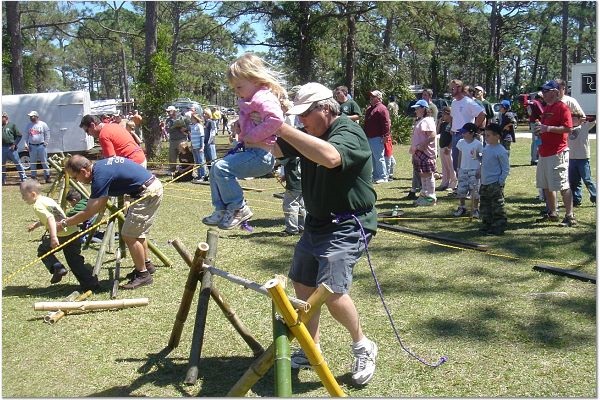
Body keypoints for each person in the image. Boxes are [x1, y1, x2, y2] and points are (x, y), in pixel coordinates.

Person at [273, 82, 378, 386]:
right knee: (303, 285)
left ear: (324, 108)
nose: (300, 121)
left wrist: (282, 127)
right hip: (317, 222)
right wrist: (256, 119)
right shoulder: (310, 132)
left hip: (348, 222)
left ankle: (363, 345)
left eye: (304, 114)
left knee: (331, 290)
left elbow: (331, 158)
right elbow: (275, 147)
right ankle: (311, 347)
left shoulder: (347, 131)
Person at [202, 53, 286, 230]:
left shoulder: (263, 97)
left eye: (239, 86)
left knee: (221, 167)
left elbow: (276, 119)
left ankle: (238, 207)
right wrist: (240, 125)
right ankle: (222, 209)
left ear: (255, 80)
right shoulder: (249, 100)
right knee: (216, 168)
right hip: (251, 152)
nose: (236, 91)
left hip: (261, 155)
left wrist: (251, 136)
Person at [60, 155, 163, 289]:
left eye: (75, 177)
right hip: (149, 188)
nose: (77, 181)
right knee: (136, 232)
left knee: (129, 235)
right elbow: (101, 201)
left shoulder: (100, 176)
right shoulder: (101, 168)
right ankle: (146, 265)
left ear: (83, 171)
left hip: (147, 193)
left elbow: (89, 211)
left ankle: (143, 275)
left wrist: (65, 223)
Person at [20, 179, 99, 291]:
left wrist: (53, 237)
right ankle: (90, 284)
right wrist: (37, 225)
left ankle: (57, 268)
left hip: (61, 234)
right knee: (74, 260)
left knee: (43, 250)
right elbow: (56, 216)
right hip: (73, 231)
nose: (22, 198)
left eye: (23, 195)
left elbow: (51, 218)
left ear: (33, 194)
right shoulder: (47, 200)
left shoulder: (37, 205)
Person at [535, 80, 576, 227]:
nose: (543, 94)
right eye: (543, 92)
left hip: (558, 152)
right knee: (546, 185)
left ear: (554, 92)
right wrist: (540, 130)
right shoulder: (546, 108)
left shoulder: (562, 107)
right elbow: (545, 127)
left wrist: (548, 128)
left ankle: (570, 215)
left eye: (546, 91)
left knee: (562, 184)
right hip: (544, 152)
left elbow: (568, 128)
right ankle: (552, 212)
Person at [449, 80, 486, 177]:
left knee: (467, 164)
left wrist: (473, 128)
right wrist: (452, 130)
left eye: (453, 88)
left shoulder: (468, 102)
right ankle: (460, 187)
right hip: (455, 136)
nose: (451, 90)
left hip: (466, 137)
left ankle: (471, 187)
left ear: (460, 88)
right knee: (456, 163)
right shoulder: (453, 103)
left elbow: (482, 113)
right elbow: (453, 118)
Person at [79, 114, 147, 168]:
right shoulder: (114, 125)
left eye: (87, 131)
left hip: (133, 163)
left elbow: (112, 162)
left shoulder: (103, 135)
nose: (88, 134)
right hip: (141, 158)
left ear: (92, 125)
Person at [479, 123, 510, 235]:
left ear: (497, 136)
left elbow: (505, 168)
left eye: (488, 135)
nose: (486, 137)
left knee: (497, 206)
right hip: (484, 182)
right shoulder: (486, 148)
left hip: (494, 183)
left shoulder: (500, 150)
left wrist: (500, 182)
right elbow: (485, 162)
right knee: (485, 205)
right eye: (485, 135)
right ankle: (487, 224)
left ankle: (499, 226)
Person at [409, 99, 438, 206]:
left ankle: (430, 198)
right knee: (423, 175)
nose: (416, 110)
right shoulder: (421, 120)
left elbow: (432, 135)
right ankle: (424, 195)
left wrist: (423, 145)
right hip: (419, 152)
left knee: (428, 175)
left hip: (425, 153)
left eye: (417, 108)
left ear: (423, 109)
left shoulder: (427, 120)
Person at [453, 122, 484, 218]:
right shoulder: (461, 142)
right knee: (461, 190)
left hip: (474, 170)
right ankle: (462, 207)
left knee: (474, 191)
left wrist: (480, 167)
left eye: (464, 132)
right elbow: (460, 155)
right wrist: (458, 168)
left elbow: (482, 158)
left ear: (471, 133)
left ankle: (475, 209)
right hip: (463, 169)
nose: (462, 134)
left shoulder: (478, 144)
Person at [568, 113, 596, 207]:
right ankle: (576, 199)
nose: (573, 120)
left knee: (587, 180)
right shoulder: (568, 129)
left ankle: (595, 197)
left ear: (580, 120)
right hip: (571, 158)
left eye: (575, 118)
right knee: (574, 181)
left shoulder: (584, 126)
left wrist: (585, 118)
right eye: (571, 118)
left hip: (582, 158)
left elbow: (594, 119)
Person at [363, 89, 391, 183]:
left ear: (378, 98)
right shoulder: (371, 108)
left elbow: (386, 123)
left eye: (373, 96)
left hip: (377, 137)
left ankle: (383, 176)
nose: (371, 98)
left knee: (379, 157)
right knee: (373, 157)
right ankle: (376, 176)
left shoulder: (382, 108)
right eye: (370, 96)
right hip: (370, 137)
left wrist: (386, 135)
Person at [278, 156, 305, 235]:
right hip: (304, 183)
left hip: (294, 184)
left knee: (290, 206)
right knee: (301, 206)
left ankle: (291, 229)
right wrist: (286, 176)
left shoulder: (289, 153)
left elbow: (277, 161)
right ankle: (302, 227)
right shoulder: (304, 151)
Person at [23, 111, 52, 183]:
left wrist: (46, 143)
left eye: (32, 116)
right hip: (32, 146)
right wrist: (26, 144)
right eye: (30, 116)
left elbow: (47, 134)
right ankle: (33, 177)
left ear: (36, 116)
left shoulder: (43, 124)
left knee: (44, 162)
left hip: (41, 146)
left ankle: (47, 176)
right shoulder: (28, 125)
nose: (31, 117)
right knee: (33, 162)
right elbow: (26, 136)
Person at [2, 112, 27, 184]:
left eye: (1, 117)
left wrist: (14, 144)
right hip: (2, 148)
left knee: (18, 163)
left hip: (11, 148)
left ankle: (24, 179)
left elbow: (19, 135)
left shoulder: (12, 125)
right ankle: (2, 180)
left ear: (5, 117)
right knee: (2, 165)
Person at [436, 106, 457, 191]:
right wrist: (439, 123)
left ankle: (453, 184)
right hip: (442, 146)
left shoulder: (453, 124)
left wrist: (449, 147)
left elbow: (453, 137)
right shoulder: (444, 124)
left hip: (448, 148)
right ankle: (444, 182)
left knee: (451, 166)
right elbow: (437, 132)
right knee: (444, 167)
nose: (443, 116)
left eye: (444, 114)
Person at [166, 105, 189, 176]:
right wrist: (174, 126)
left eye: (169, 111)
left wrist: (184, 129)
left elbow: (188, 127)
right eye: (167, 111)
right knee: (172, 155)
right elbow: (167, 130)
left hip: (182, 139)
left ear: (174, 111)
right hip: (173, 140)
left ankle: (186, 169)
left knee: (184, 155)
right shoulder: (168, 120)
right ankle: (172, 169)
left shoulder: (182, 118)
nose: (168, 112)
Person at [527, 92, 544, 165]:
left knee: (535, 141)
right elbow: (542, 113)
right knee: (537, 141)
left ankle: (535, 157)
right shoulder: (536, 103)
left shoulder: (530, 102)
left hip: (532, 123)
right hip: (536, 123)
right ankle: (535, 159)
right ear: (540, 98)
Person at [189, 113, 207, 183]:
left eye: (192, 118)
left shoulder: (199, 126)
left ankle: (203, 176)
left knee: (201, 161)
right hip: (194, 146)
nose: (191, 119)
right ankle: (199, 175)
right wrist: (191, 145)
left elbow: (202, 136)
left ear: (196, 119)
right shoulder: (192, 126)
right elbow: (192, 137)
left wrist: (202, 147)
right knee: (197, 162)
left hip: (199, 147)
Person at [202, 108, 217, 175]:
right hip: (205, 143)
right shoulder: (204, 122)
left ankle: (215, 173)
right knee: (207, 159)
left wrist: (209, 142)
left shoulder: (211, 122)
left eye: (205, 113)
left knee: (212, 159)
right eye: (203, 113)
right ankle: (210, 173)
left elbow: (213, 132)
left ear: (208, 114)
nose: (204, 115)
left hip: (210, 143)